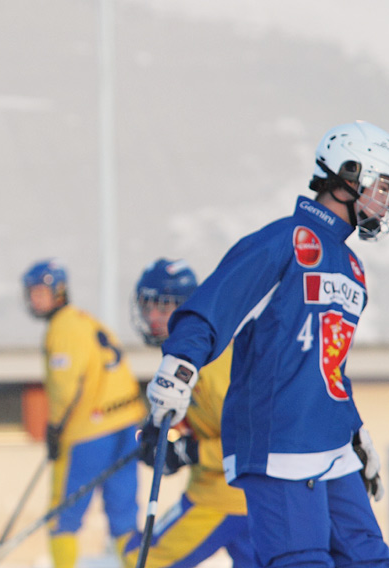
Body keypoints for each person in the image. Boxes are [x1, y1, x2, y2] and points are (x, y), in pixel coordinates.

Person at [145, 121, 389, 568]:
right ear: (349, 175)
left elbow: (327, 364)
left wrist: (356, 431)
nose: (385, 201)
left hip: (331, 439)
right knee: (302, 561)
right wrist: (179, 365)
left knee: (368, 558)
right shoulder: (284, 240)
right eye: (382, 186)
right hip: (279, 440)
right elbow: (215, 302)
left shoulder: (352, 266)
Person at [119, 258, 253, 568]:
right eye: (147, 305)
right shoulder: (184, 355)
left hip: (223, 498)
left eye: (164, 307)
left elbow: (255, 438)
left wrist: (190, 452)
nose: (152, 317)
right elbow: (202, 418)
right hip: (241, 498)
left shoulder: (213, 364)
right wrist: (164, 430)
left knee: (141, 559)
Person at [22, 259, 146, 568]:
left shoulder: (61, 328)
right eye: (31, 292)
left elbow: (65, 386)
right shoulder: (87, 321)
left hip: (89, 433)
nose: (35, 299)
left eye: (41, 291)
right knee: (124, 514)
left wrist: (54, 428)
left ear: (59, 291)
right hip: (127, 425)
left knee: (62, 514)